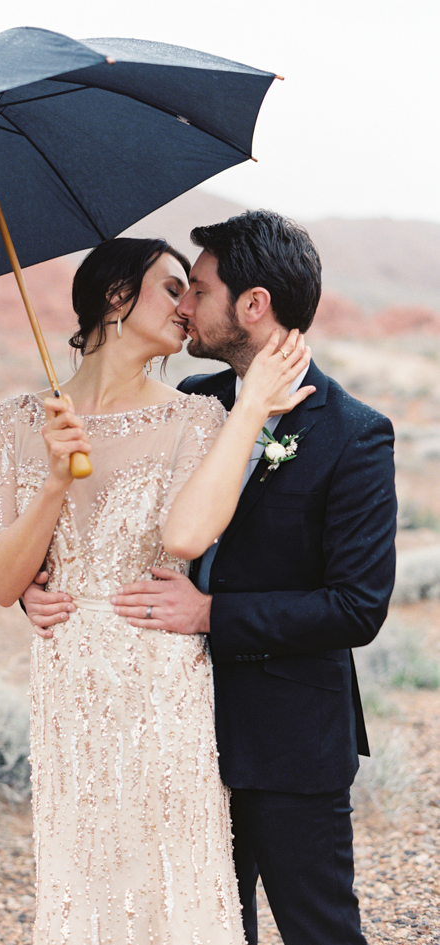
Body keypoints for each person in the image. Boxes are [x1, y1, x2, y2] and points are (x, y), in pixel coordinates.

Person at [22, 211, 397, 945]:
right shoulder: (195, 401)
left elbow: (356, 606)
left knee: (320, 929)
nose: (185, 305)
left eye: (198, 287)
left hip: (285, 738)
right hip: (167, 725)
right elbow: (121, 535)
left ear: (253, 306)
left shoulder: (354, 433)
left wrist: (208, 613)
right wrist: (48, 583)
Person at [0, 235, 314, 945]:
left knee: (171, 875)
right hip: (68, 687)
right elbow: (3, 582)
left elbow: (188, 538)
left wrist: (250, 406)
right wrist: (56, 482)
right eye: (171, 287)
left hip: (162, 686)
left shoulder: (194, 417)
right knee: (83, 873)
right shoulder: (17, 421)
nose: (188, 306)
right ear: (115, 295)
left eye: (192, 290)